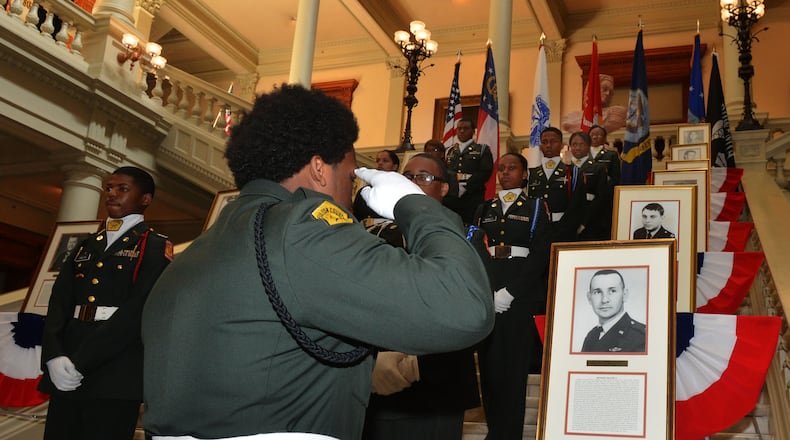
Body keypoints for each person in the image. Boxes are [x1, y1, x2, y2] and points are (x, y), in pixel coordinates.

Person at [142, 84, 494, 440]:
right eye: (349, 176)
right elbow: (463, 305)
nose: (351, 192)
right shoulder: (302, 225)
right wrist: (415, 204)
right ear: (320, 170)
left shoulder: (198, 249)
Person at [38, 166, 173, 440]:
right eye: (108, 188)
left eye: (122, 189)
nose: (111, 194)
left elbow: (137, 312)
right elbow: (59, 302)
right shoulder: (86, 245)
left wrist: (81, 361)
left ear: (145, 199)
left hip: (116, 368)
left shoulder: (156, 246)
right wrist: (53, 354)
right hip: (66, 362)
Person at [362, 154, 480, 440]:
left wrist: (418, 360)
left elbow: (469, 308)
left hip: (437, 386)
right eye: (408, 176)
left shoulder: (463, 236)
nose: (413, 182)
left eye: (424, 177)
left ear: (443, 189)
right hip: (381, 385)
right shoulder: (371, 233)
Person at [473, 153, 552, 440]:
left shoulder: (534, 208)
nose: (505, 173)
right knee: (490, 367)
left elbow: (541, 254)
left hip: (519, 294)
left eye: (512, 168)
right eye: (502, 169)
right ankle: (495, 430)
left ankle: (508, 434)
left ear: (524, 174)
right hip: (488, 289)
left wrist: (512, 291)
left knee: (513, 371)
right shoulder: (484, 208)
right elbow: (476, 249)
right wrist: (487, 289)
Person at [527, 127, 584, 243]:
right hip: (538, 231)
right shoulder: (531, 173)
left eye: (553, 141)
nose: (548, 145)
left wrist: (565, 228)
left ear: (562, 144)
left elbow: (577, 204)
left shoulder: (573, 172)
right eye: (544, 142)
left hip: (565, 230)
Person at [581, 269, 646, 353]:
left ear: (624, 295)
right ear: (589, 298)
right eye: (597, 292)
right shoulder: (591, 336)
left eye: (612, 291)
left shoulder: (642, 337)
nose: (604, 300)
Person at [445, 118, 494, 224]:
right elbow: (446, 171)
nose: (462, 131)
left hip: (472, 196)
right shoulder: (449, 150)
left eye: (466, 128)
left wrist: (466, 187)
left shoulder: (482, 149)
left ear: (473, 131)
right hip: (452, 196)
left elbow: (485, 172)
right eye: (459, 128)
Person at [567, 131, 613, 241]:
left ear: (588, 146)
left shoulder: (598, 168)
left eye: (581, 144)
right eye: (574, 144)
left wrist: (584, 222)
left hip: (591, 221)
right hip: (568, 221)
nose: (577, 148)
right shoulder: (566, 168)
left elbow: (601, 198)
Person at [560, 74, 627, 134]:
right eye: (605, 89)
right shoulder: (571, 118)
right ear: (593, 89)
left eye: (610, 91)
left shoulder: (617, 113)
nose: (608, 93)